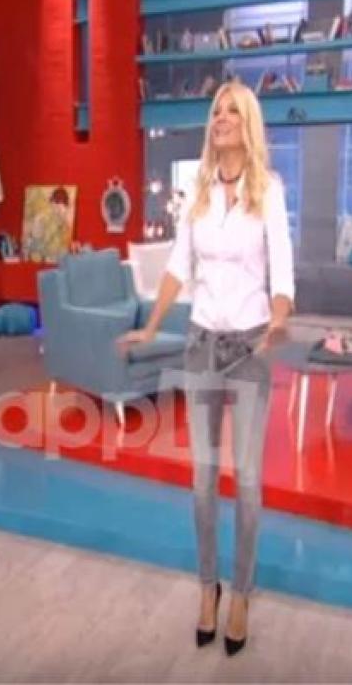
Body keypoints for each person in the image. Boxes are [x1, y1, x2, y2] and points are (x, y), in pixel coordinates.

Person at [118, 80, 295, 656]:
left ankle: (240, 593)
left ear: (248, 124)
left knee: (247, 481)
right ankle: (207, 588)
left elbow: (283, 272)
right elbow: (178, 265)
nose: (220, 119)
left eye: (231, 112)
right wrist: (151, 325)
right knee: (201, 481)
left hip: (249, 348)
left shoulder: (268, 191)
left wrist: (278, 318)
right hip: (200, 344)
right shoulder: (198, 191)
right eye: (216, 111)